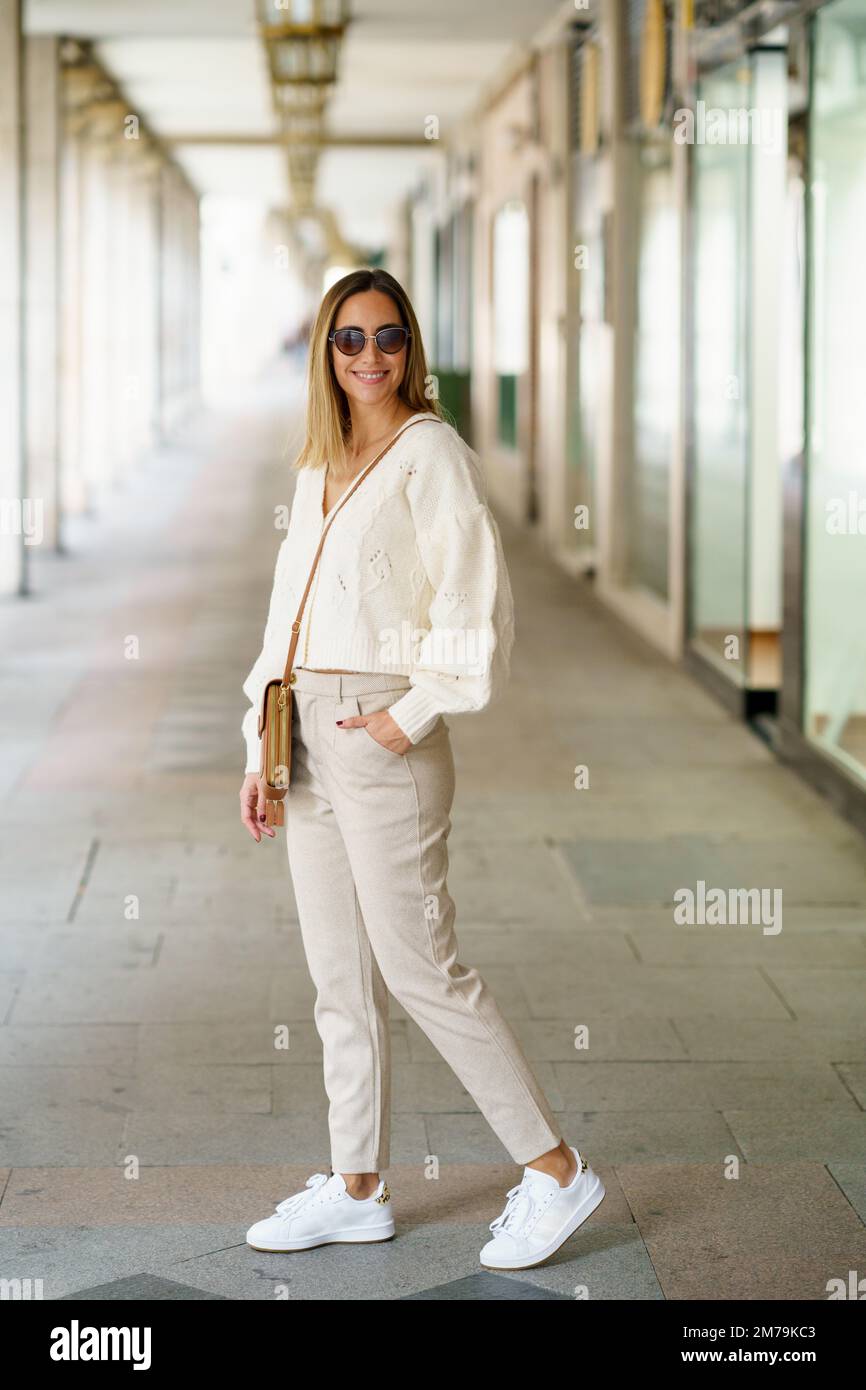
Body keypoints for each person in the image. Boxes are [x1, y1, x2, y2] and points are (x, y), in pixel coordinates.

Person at [239, 267, 604, 1270]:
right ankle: (356, 1186)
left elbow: (476, 605)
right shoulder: (320, 459)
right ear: (324, 351)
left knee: (420, 968)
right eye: (348, 340)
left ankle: (557, 1170)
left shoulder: (429, 452)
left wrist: (409, 714)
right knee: (337, 977)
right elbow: (285, 613)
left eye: (387, 337)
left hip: (375, 729)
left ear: (411, 347)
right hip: (303, 731)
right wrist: (258, 742)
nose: (368, 357)